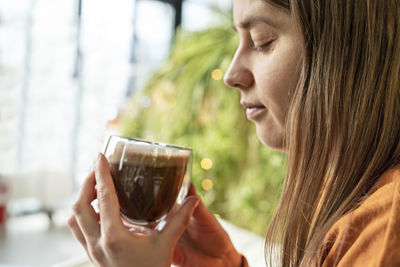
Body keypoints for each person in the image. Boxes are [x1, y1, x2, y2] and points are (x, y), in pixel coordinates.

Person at [68, 0, 400, 266]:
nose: (231, 75)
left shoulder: (386, 223)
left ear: (347, 49)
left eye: (261, 41)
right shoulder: (345, 190)